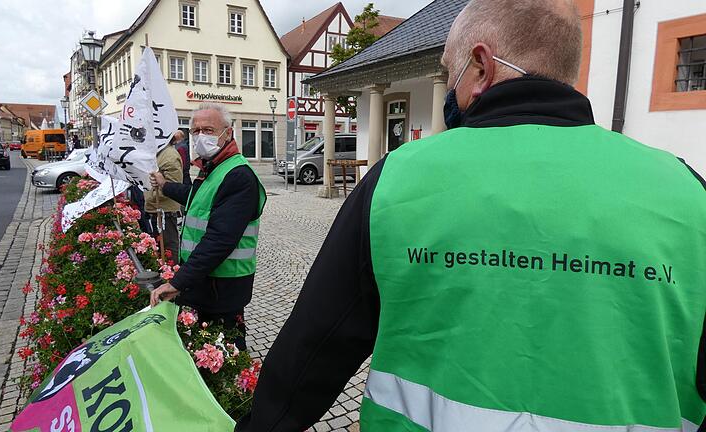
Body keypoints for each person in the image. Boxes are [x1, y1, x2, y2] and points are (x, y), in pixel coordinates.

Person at [236, 0, 706, 430]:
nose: (449, 85)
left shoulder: (398, 181)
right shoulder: (687, 193)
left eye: (450, 70)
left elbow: (314, 349)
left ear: (480, 66)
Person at [149, 103, 266, 351]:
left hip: (223, 287)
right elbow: (196, 197)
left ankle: (240, 389)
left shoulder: (238, 175)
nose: (201, 136)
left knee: (227, 350)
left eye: (209, 130)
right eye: (196, 131)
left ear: (228, 133)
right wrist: (165, 185)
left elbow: (219, 240)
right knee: (208, 347)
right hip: (207, 282)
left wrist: (178, 282)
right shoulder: (212, 167)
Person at [144, 135, 184, 264]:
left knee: (168, 246)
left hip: (165, 210)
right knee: (160, 245)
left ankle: (171, 274)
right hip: (156, 207)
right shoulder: (158, 153)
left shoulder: (169, 156)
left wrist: (155, 191)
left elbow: (173, 187)